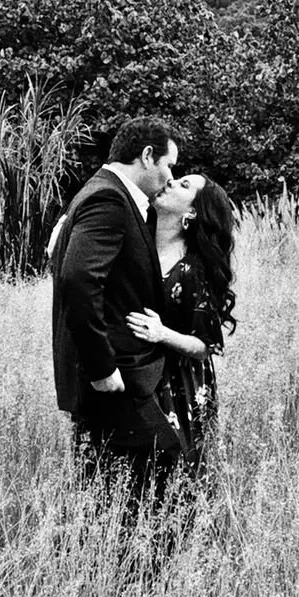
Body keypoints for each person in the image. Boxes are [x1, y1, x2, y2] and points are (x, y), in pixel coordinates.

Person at [51, 117, 184, 535]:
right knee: (137, 485)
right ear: (146, 156)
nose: (170, 177)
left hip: (123, 376)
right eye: (168, 165)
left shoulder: (105, 196)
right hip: (114, 380)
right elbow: (78, 279)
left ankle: (110, 579)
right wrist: (101, 368)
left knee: (110, 491)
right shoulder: (108, 200)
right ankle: (127, 582)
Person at [126, 173, 236, 477]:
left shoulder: (193, 269)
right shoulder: (135, 242)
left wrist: (162, 334)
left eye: (184, 185)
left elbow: (206, 345)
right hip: (136, 377)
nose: (171, 182)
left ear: (191, 213)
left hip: (179, 387)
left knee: (177, 478)